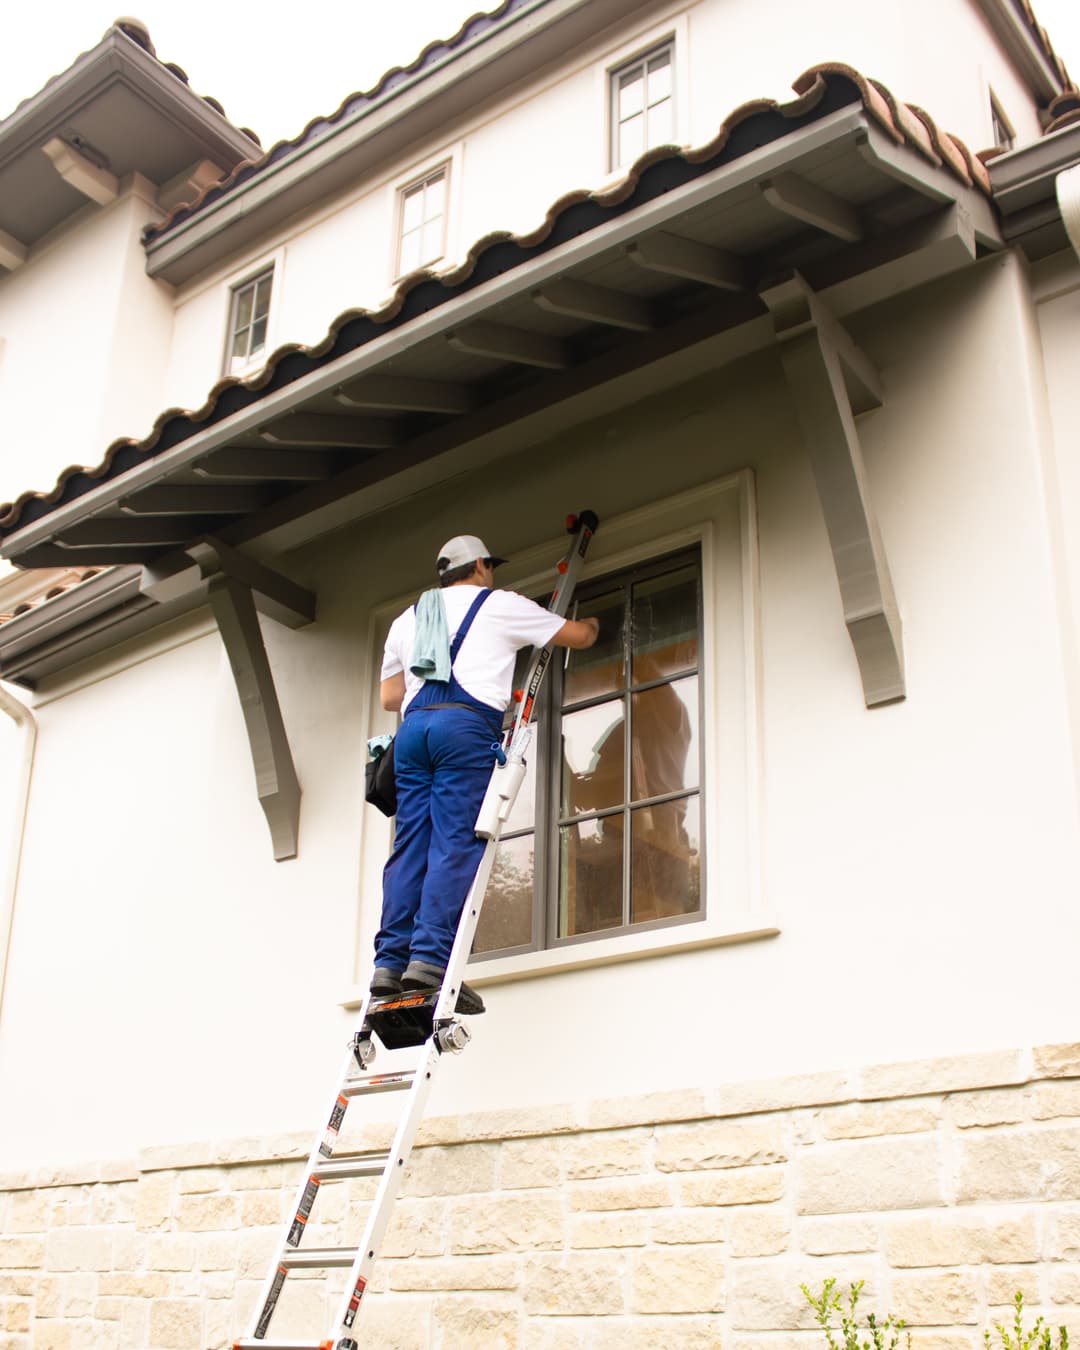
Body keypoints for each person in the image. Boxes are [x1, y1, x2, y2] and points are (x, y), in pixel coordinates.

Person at [371, 533, 599, 1008]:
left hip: (413, 734)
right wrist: (594, 625)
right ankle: (430, 960)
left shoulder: (406, 619)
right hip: (463, 728)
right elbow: (577, 637)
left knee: (411, 845)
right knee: (455, 841)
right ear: (479, 567)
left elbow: (391, 699)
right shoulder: (499, 604)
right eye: (489, 567)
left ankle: (389, 963)